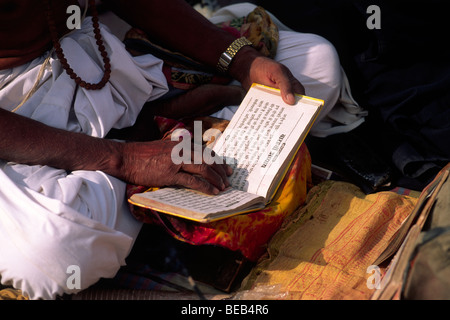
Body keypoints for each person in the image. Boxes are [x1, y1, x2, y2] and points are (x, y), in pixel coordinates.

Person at [0, 0, 342, 299]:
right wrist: (126, 158)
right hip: (15, 127)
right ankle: (159, 135)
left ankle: (161, 141)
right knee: (57, 254)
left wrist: (241, 62)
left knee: (316, 68)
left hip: (95, 64)